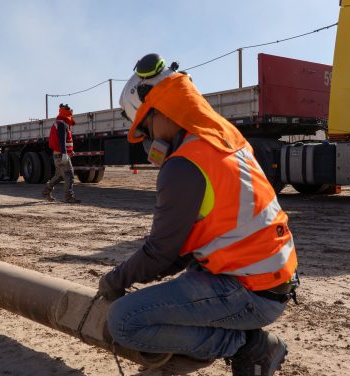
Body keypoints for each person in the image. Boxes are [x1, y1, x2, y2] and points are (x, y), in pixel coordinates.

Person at [97, 53, 299, 376]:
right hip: (271, 279)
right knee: (184, 276)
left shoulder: (182, 164)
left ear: (162, 110)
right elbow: (182, 248)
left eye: (146, 127)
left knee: (123, 320)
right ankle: (246, 339)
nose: (149, 141)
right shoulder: (222, 137)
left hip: (249, 290)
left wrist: (114, 279)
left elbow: (159, 252)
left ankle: (248, 346)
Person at [42, 103, 80, 203]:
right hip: (61, 154)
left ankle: (46, 191)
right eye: (70, 110)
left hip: (58, 154)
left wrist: (69, 151)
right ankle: (69, 197)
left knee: (59, 176)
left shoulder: (60, 123)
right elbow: (61, 140)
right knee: (69, 176)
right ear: (67, 112)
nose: (71, 112)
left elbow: (64, 141)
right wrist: (64, 153)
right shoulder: (62, 124)